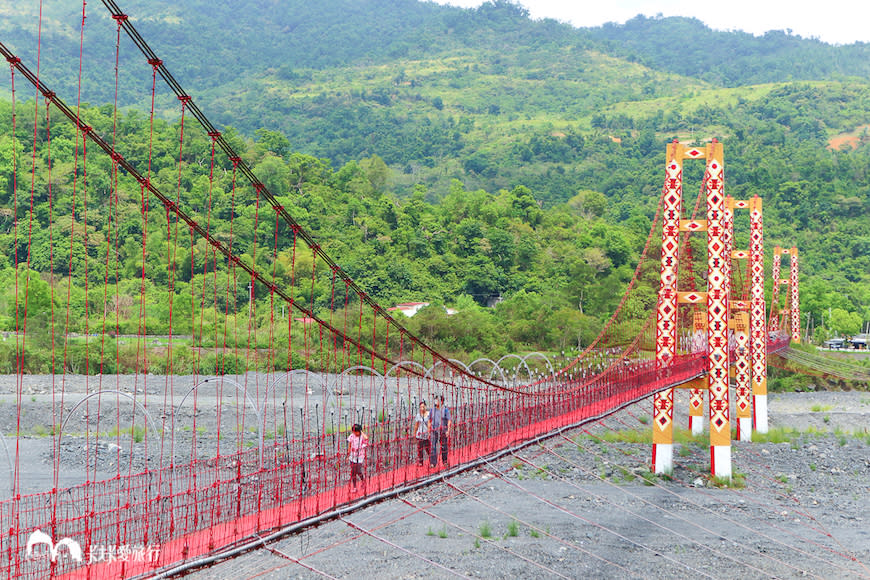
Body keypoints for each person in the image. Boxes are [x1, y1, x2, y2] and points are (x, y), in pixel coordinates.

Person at [428, 394, 451, 468]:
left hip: (443, 430)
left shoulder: (445, 410)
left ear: (441, 401)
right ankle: (433, 463)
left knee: (444, 446)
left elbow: (449, 420)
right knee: (433, 447)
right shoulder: (432, 410)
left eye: (437, 400)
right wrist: (429, 430)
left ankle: (445, 461)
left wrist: (448, 430)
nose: (436, 402)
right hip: (434, 430)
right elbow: (429, 420)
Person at [347, 423, 368, 493]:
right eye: (354, 431)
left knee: (358, 471)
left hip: (360, 456)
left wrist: (361, 432)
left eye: (356, 431)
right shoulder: (352, 436)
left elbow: (366, 438)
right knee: (353, 472)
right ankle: (355, 487)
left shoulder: (362, 436)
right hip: (352, 456)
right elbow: (349, 446)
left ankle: (363, 481)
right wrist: (348, 455)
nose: (355, 433)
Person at [412, 401, 430, 466]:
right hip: (419, 434)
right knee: (420, 449)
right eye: (420, 407)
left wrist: (429, 433)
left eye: (423, 406)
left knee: (428, 449)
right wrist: (414, 434)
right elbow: (416, 425)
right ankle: (420, 462)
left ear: (425, 406)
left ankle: (432, 461)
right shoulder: (418, 415)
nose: (422, 408)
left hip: (426, 434)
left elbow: (429, 424)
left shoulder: (429, 414)